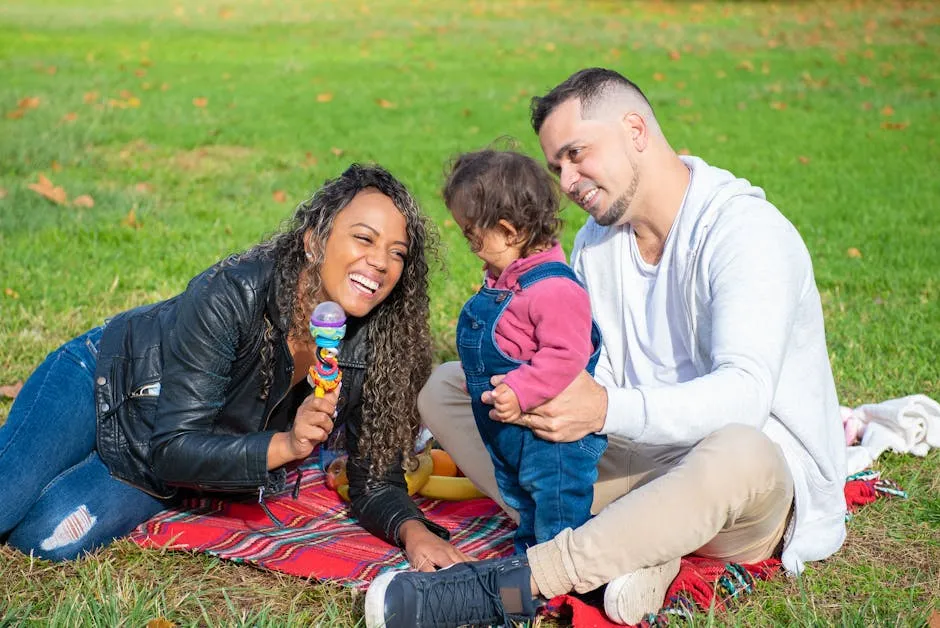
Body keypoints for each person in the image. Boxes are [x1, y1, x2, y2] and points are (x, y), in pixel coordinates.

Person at [364, 68, 848, 627]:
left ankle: (515, 586)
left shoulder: (746, 233)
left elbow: (746, 396)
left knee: (741, 449)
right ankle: (632, 551)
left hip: (739, 490)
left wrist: (602, 407)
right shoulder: (598, 240)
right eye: (556, 166)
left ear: (636, 129)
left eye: (576, 153)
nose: (567, 181)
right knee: (449, 386)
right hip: (628, 457)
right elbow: (576, 358)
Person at [0, 164, 467, 571]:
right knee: (7, 495)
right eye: (364, 238)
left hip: (157, 465)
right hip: (103, 381)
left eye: (397, 253)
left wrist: (413, 532)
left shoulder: (375, 340)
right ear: (314, 241)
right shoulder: (233, 293)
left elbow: (373, 476)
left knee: (41, 541)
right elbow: (177, 442)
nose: (381, 262)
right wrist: (284, 444)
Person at [442, 149, 605, 554]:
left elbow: (566, 356)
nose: (469, 244)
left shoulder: (554, 289)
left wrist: (520, 389)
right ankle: (529, 569)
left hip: (553, 444)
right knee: (526, 508)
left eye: (472, 235)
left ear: (509, 232)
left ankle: (564, 582)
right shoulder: (505, 280)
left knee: (557, 515)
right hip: (515, 437)